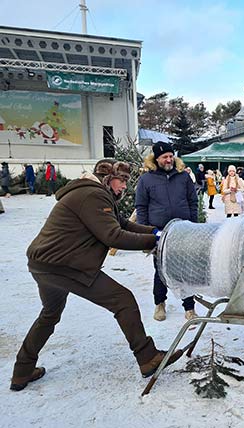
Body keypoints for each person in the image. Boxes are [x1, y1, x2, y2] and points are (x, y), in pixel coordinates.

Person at [10, 159, 183, 392]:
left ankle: (22, 371)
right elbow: (114, 236)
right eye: (121, 180)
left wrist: (155, 231)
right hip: (65, 266)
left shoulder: (94, 195)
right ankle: (148, 357)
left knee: (49, 315)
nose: (124, 186)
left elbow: (122, 224)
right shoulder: (93, 195)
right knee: (123, 301)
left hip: (44, 264)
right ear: (107, 178)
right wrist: (157, 241)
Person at [135, 141, 198, 321]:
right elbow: (141, 207)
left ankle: (189, 307)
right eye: (165, 157)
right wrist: (145, 232)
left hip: (183, 230)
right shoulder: (147, 179)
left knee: (184, 269)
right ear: (156, 159)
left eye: (171, 156)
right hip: (159, 232)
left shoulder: (183, 176)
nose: (169, 159)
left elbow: (192, 201)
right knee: (160, 270)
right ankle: (160, 304)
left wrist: (194, 226)